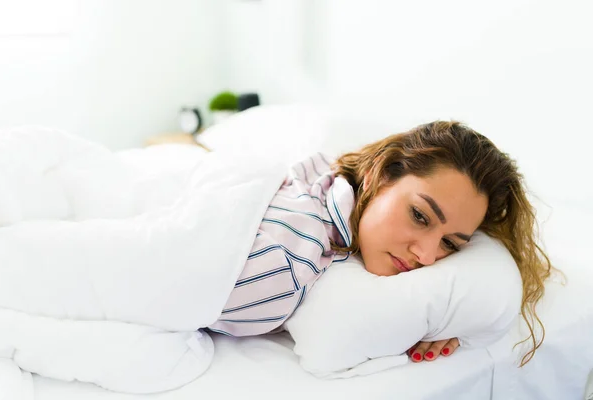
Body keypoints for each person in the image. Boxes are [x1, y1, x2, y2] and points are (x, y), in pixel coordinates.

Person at [208, 120, 553, 367]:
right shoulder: (286, 259)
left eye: (450, 243)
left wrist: (436, 320)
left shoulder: (332, 183)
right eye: (419, 216)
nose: (427, 256)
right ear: (380, 174)